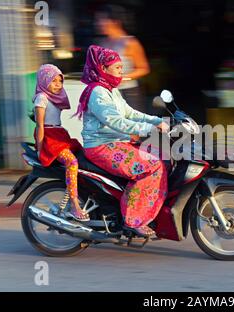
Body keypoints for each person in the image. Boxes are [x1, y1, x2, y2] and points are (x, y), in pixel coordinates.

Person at [75, 45, 169, 237]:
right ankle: (133, 220)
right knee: (151, 167)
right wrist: (147, 129)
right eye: (117, 67)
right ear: (103, 68)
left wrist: (157, 120)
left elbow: (130, 113)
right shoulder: (97, 92)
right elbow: (115, 121)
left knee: (159, 155)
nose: (121, 71)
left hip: (115, 143)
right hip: (101, 147)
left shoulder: (111, 90)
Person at [33, 64, 89, 222]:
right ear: (44, 81)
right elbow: (40, 125)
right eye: (53, 81)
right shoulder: (41, 98)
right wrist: (40, 148)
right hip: (49, 136)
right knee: (72, 162)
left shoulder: (54, 96)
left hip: (60, 133)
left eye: (60, 81)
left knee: (86, 158)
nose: (58, 84)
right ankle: (73, 205)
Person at [95, 5, 150, 113]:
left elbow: (144, 68)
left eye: (101, 19)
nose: (98, 23)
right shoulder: (103, 43)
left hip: (128, 93)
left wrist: (123, 78)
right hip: (108, 94)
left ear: (115, 22)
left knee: (131, 127)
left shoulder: (130, 43)